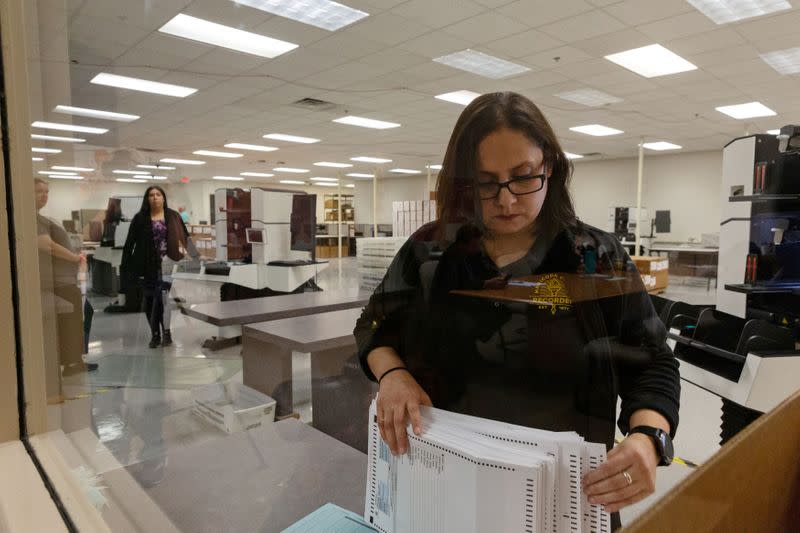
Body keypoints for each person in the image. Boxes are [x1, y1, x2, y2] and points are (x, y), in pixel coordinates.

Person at [354, 92, 680, 528]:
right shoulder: (430, 253)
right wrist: (393, 375)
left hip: (566, 505)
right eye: (486, 183)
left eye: (523, 177)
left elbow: (652, 361)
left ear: (550, 167)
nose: (506, 201)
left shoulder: (595, 257)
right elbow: (374, 327)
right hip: (443, 497)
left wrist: (648, 437)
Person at [35, 178, 97, 377]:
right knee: (74, 318)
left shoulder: (41, 218)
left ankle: (73, 359)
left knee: (78, 316)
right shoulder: (31, 219)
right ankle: (72, 362)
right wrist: (74, 257)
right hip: (57, 281)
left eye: (46, 192)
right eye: (38, 191)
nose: (44, 195)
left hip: (63, 279)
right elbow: (47, 245)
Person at [121, 186, 196, 348]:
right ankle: (155, 334)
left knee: (164, 301)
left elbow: (185, 237)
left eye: (158, 194)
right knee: (149, 300)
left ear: (163, 198)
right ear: (147, 199)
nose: (154, 197)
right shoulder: (140, 218)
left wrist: (196, 256)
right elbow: (129, 244)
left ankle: (167, 333)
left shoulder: (173, 216)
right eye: (151, 195)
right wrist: (126, 267)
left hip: (169, 265)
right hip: (147, 266)